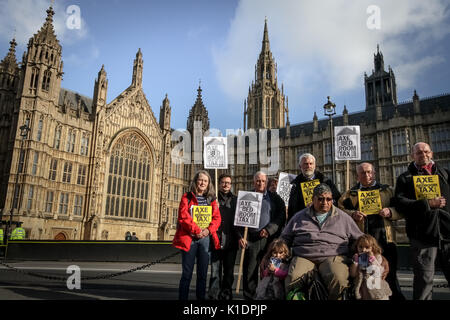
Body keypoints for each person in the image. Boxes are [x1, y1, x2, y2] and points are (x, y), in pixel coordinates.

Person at [281, 183, 363, 300]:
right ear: (313, 199)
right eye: (320, 199)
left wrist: (375, 255)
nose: (325, 202)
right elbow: (284, 238)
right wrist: (271, 256)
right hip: (304, 257)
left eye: (328, 199)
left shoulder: (343, 217)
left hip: (333, 256)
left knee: (338, 278)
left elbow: (361, 239)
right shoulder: (299, 217)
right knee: (293, 277)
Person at [338, 162, 405, 300]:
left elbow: (402, 209)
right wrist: (352, 214)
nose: (367, 175)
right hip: (363, 245)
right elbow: (339, 212)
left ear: (374, 173)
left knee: (388, 275)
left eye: (369, 172)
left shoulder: (388, 191)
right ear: (357, 176)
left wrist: (390, 212)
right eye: (363, 173)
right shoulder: (349, 195)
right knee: (366, 277)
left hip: (386, 239)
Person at [394, 142, 450, 300]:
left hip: (448, 233)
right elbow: (399, 203)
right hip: (422, 236)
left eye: (426, 152)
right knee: (424, 282)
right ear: (413, 156)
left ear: (431, 153)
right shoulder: (405, 178)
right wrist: (427, 204)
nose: (423, 155)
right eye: (419, 153)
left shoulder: (444, 174)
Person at [172, 170, 221, 300]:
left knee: (203, 275)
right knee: (187, 274)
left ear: (209, 183)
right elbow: (183, 217)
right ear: (195, 181)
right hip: (190, 239)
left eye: (205, 181)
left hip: (205, 239)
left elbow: (217, 219)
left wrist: (207, 231)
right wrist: (196, 230)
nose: (202, 183)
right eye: (200, 180)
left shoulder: (211, 199)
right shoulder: (186, 197)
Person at [238, 171, 286, 300]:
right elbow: (238, 220)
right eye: (258, 181)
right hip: (251, 239)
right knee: (250, 272)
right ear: (253, 182)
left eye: (263, 181)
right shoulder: (246, 196)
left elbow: (281, 216)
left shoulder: (274, 198)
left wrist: (269, 230)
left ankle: (265, 296)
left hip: (268, 240)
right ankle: (249, 298)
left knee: (267, 270)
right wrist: (241, 236)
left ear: (266, 183)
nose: (260, 183)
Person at [208, 174, 239, 300]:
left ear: (231, 185)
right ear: (218, 184)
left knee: (229, 272)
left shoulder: (236, 200)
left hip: (231, 241)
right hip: (216, 240)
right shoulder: (211, 200)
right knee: (215, 272)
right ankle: (214, 296)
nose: (226, 185)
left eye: (228, 183)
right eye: (223, 182)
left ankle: (226, 295)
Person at [287, 153, 341, 222]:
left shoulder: (326, 181)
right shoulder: (294, 185)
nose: (308, 166)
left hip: (324, 220)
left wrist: (323, 203)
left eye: (311, 164)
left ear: (315, 166)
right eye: (305, 164)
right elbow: (292, 208)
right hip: (303, 222)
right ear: (300, 166)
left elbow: (337, 200)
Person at [350, 234, 392, 300]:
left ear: (372, 247)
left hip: (376, 289)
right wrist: (355, 263)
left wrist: (372, 259)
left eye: (367, 247)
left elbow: (379, 271)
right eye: (360, 247)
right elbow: (353, 274)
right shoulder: (357, 258)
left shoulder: (377, 256)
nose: (363, 250)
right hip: (363, 290)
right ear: (356, 247)